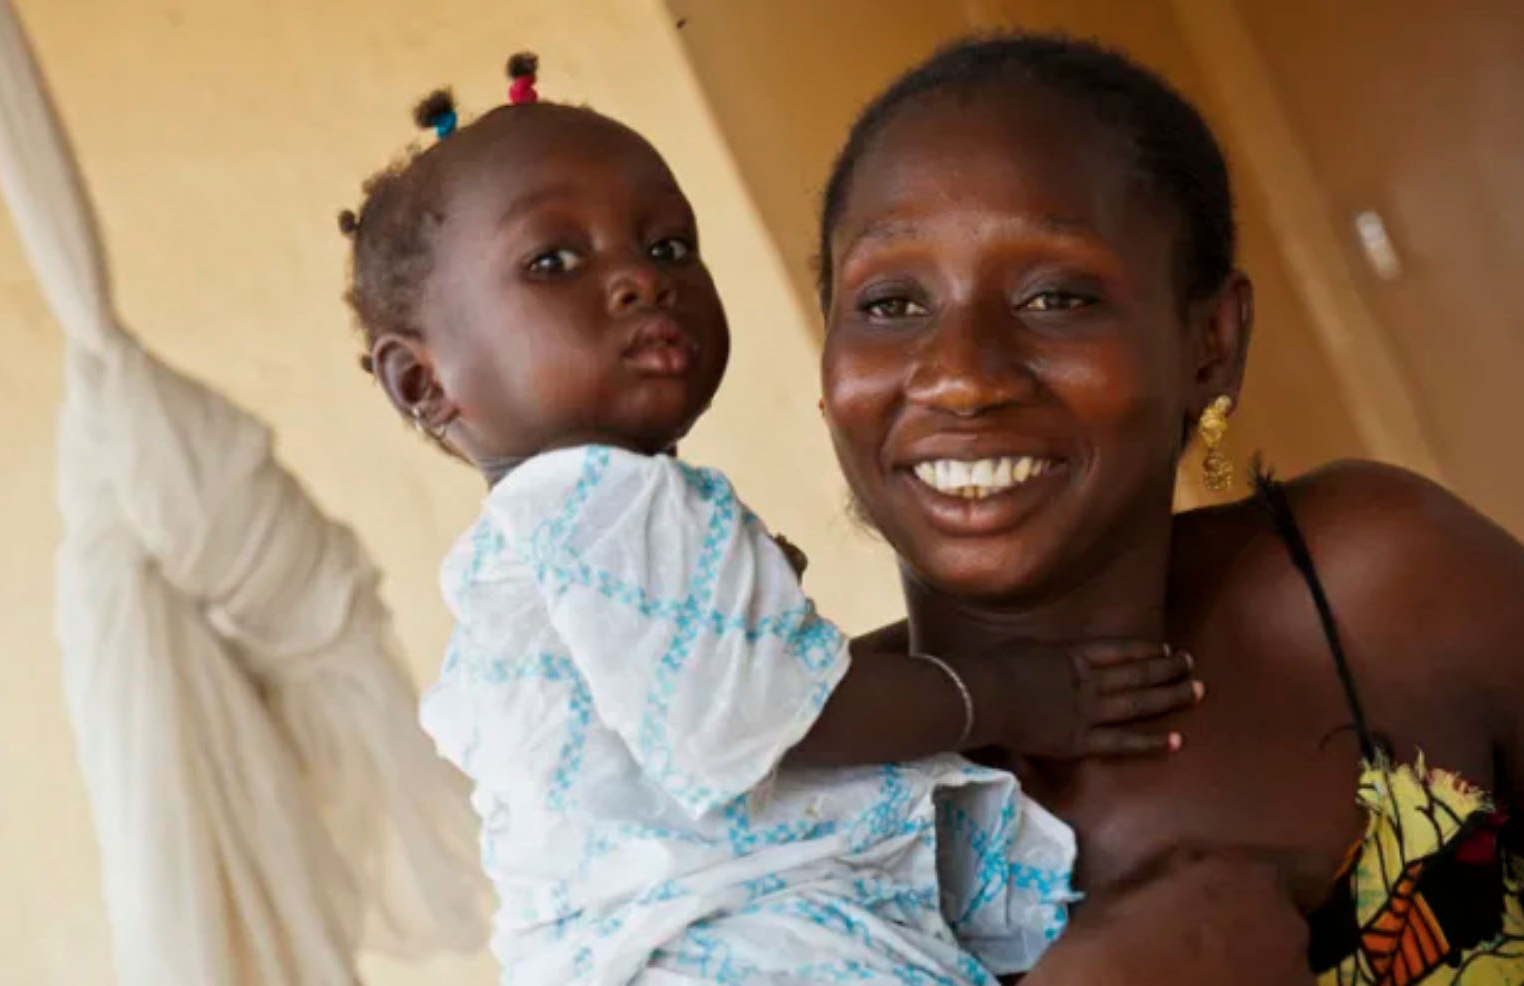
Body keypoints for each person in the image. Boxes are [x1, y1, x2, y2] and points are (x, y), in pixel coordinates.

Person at [335, 54, 1203, 985]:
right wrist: (1010, 694)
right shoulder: (608, 500)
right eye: (554, 261)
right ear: (422, 382)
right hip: (731, 948)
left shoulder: (543, 544)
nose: (638, 279)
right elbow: (756, 724)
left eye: (667, 246)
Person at [815, 33, 1524, 986]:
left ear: (1210, 342)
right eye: (890, 304)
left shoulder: (1372, 599)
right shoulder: (776, 774)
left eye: (1055, 296)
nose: (959, 377)